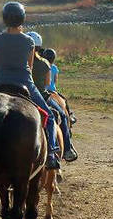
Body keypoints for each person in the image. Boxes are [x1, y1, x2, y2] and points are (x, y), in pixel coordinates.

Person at [0, 1, 61, 170]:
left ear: (4, 19)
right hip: (25, 82)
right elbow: (30, 68)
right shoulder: (29, 42)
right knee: (50, 116)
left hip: (0, 81)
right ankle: (52, 153)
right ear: (22, 19)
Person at [28, 33, 77, 163]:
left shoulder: (20, 62)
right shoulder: (45, 64)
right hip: (41, 96)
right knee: (61, 114)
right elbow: (46, 83)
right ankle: (65, 148)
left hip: (23, 94)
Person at [42, 48, 76, 125]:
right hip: (52, 90)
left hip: (42, 90)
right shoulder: (54, 68)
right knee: (64, 100)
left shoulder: (42, 65)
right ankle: (69, 116)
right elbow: (55, 80)